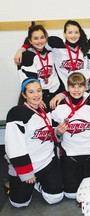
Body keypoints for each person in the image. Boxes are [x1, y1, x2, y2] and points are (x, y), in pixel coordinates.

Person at [5, 78, 67, 207]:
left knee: (55, 198)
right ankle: (15, 183)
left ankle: (38, 184)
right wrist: (26, 172)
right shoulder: (16, 113)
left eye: (39, 91)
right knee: (20, 204)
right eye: (31, 92)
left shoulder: (46, 111)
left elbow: (46, 136)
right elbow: (14, 144)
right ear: (24, 95)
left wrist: (58, 132)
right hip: (29, 166)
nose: (36, 95)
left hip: (47, 162)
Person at [51, 72, 90, 199]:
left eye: (80, 86)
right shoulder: (59, 107)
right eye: (73, 86)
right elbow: (52, 132)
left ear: (85, 87)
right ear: (67, 88)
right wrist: (58, 132)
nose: (76, 90)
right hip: (70, 154)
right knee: (71, 195)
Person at [15, 20, 90, 91]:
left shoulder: (85, 47)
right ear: (64, 34)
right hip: (65, 90)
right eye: (70, 32)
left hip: (82, 89)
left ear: (80, 34)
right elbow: (38, 42)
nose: (73, 35)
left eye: (76, 32)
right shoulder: (56, 45)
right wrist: (21, 49)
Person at [16, 25, 62, 107]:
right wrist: (37, 98)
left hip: (54, 93)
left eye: (42, 37)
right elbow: (30, 81)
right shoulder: (27, 56)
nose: (40, 41)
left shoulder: (51, 51)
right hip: (38, 95)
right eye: (36, 38)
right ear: (30, 41)